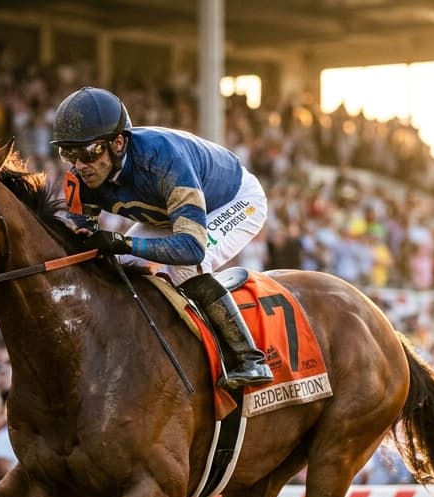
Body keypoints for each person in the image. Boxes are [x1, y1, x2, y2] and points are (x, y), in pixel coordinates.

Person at [50, 86, 272, 391]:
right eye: (68, 153)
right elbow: (80, 235)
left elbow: (191, 248)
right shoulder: (79, 176)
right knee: (118, 265)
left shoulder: (163, 158)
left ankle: (249, 358)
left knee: (186, 267)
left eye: (88, 152)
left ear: (117, 143)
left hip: (233, 200)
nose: (79, 165)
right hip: (168, 214)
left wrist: (123, 242)